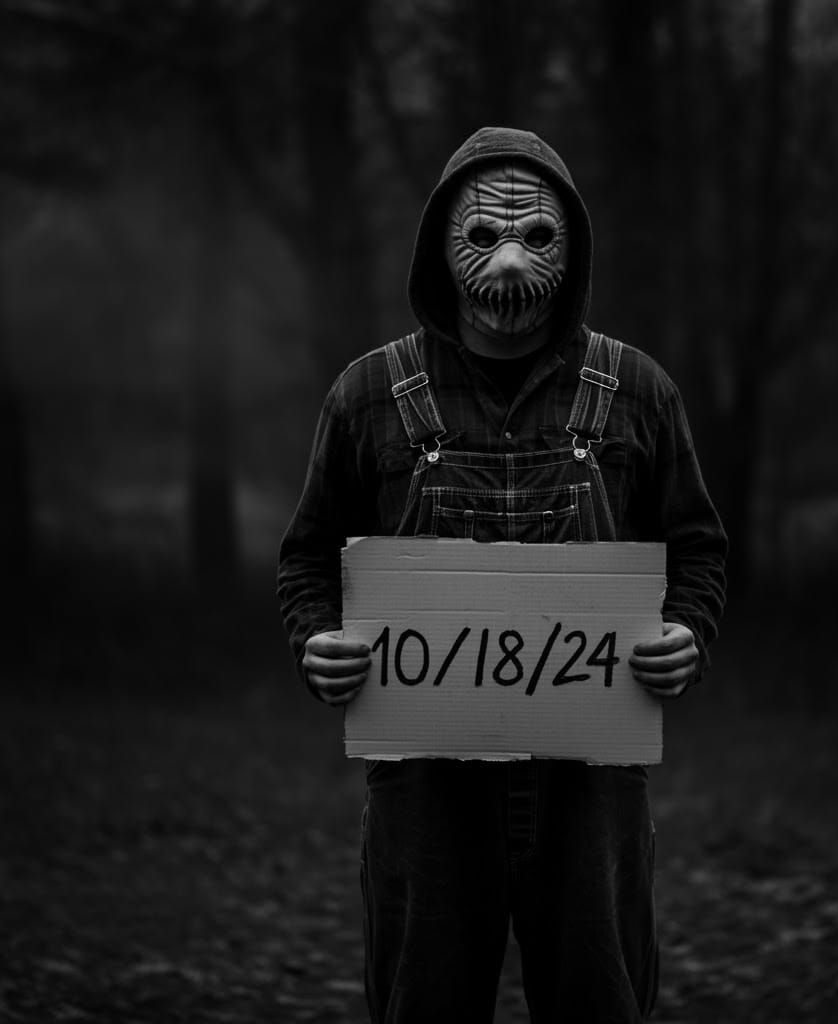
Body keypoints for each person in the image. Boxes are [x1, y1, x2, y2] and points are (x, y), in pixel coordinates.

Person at [278, 126, 727, 1024]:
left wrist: (689, 631)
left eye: (537, 236)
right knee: (424, 1002)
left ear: (576, 246)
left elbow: (697, 545)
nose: (512, 261)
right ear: (439, 248)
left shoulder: (639, 390)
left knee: (599, 1001)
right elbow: (308, 553)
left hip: (591, 786)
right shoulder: (367, 395)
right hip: (425, 789)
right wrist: (315, 638)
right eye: (484, 236)